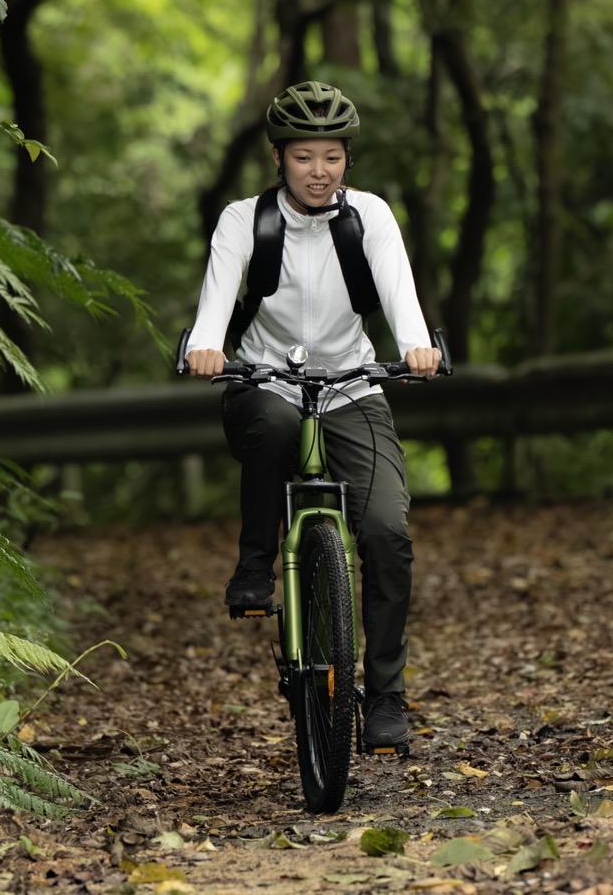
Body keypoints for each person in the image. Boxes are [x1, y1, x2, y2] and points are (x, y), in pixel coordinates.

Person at [183, 80, 441, 754]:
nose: (319, 171)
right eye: (304, 157)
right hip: (264, 381)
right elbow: (217, 295)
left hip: (352, 388)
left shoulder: (370, 217)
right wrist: (206, 345)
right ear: (278, 158)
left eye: (332, 156)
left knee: (386, 531)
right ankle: (255, 563)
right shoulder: (247, 220)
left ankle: (385, 695)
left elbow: (397, 290)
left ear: (347, 159)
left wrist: (416, 345)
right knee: (269, 425)